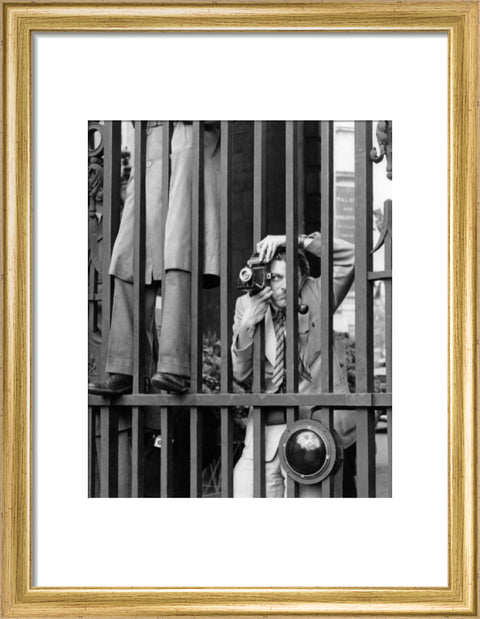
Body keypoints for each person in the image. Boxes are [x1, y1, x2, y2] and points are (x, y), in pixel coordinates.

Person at [89, 121, 220, 396]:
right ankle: (124, 368)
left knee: (179, 250)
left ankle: (174, 366)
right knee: (129, 254)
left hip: (188, 136)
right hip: (150, 144)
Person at [231, 232, 356, 497]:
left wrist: (293, 239)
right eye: (275, 277)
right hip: (265, 431)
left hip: (315, 427)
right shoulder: (246, 304)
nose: (283, 286)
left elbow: (351, 258)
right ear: (263, 277)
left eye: (290, 277)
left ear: (301, 278)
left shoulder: (317, 292)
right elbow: (240, 374)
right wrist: (247, 326)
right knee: (244, 492)